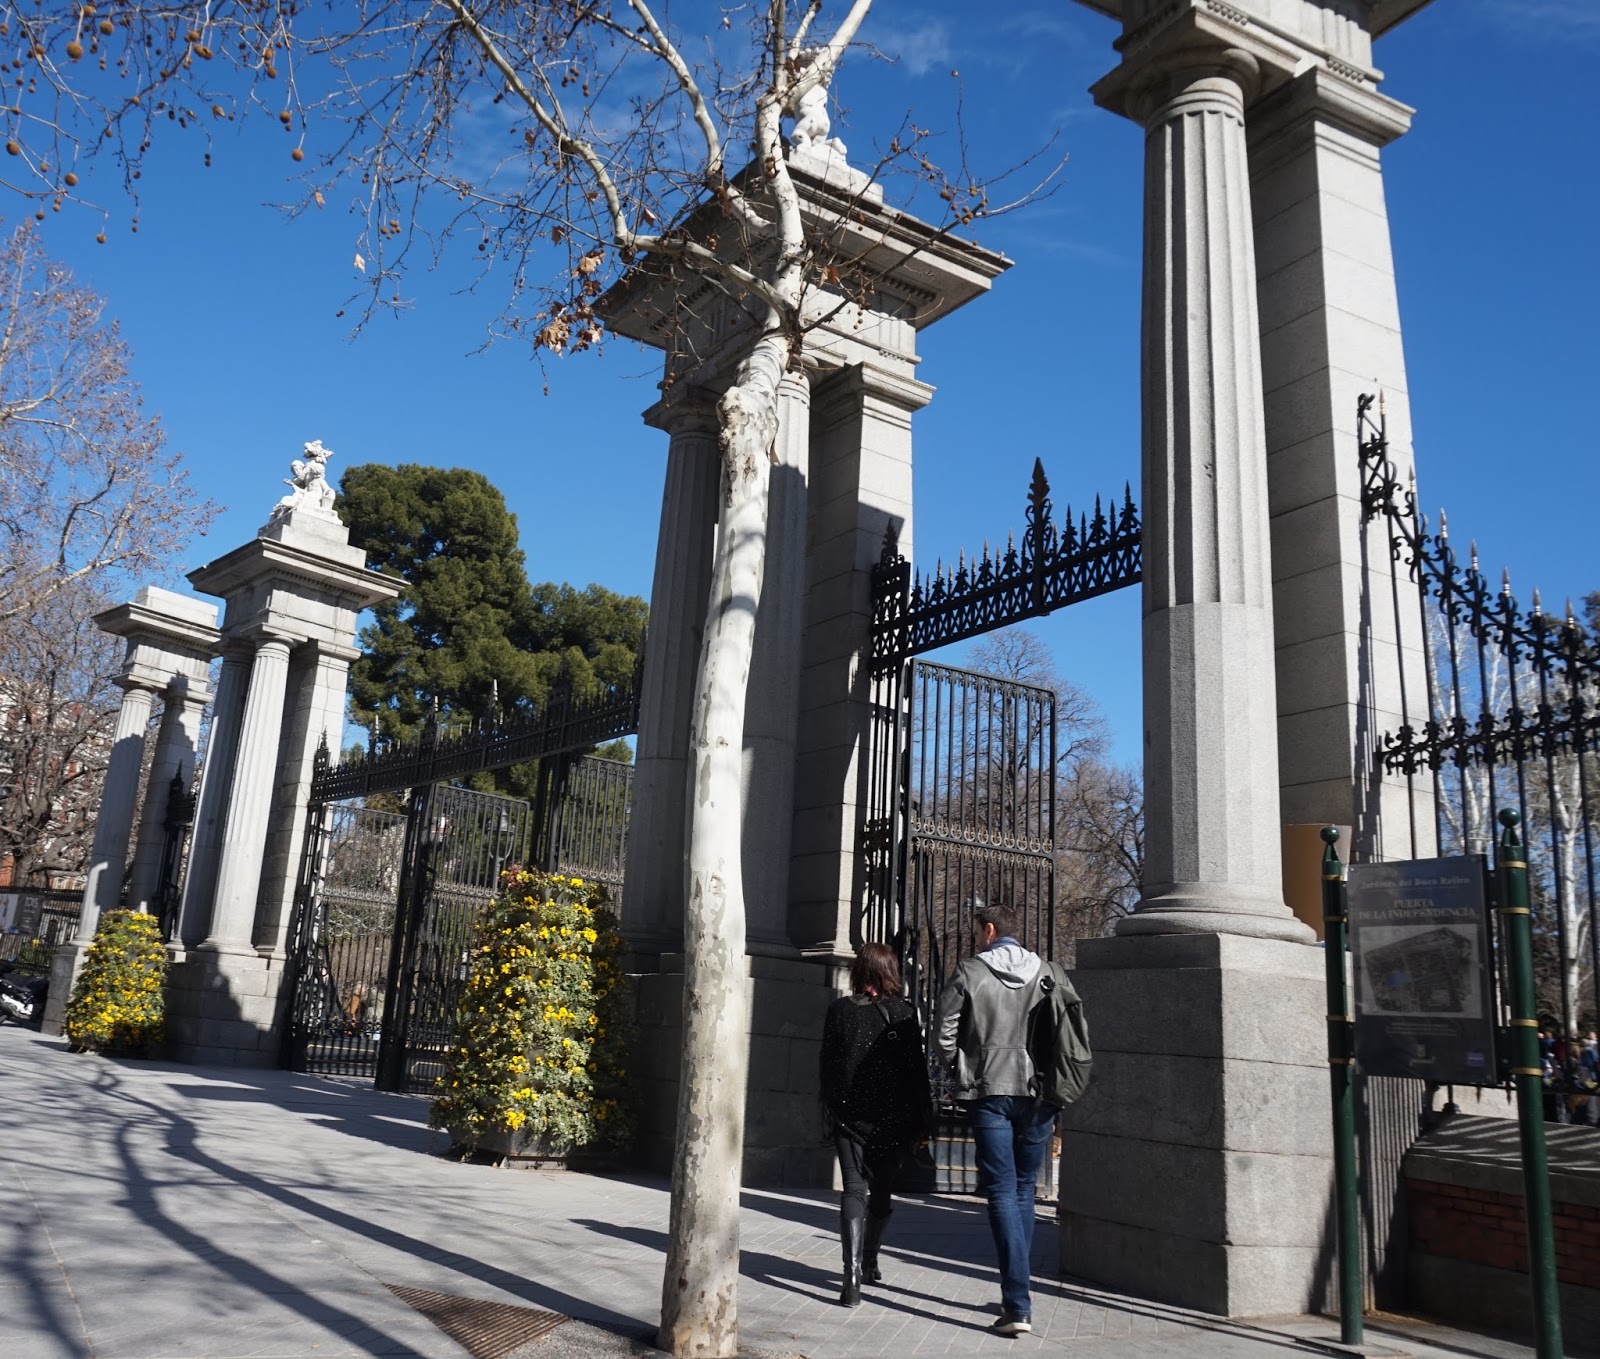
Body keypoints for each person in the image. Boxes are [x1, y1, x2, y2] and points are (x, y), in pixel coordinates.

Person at [936, 900, 1053, 1338]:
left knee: (1002, 1191)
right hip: (1037, 1093)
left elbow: (944, 1031)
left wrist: (956, 1067)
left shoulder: (970, 972)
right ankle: (1017, 1297)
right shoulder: (1047, 972)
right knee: (1023, 1189)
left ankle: (1017, 1303)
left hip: (987, 1089)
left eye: (977, 931)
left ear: (988, 930)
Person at [820, 941, 932, 1308]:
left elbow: (828, 1068)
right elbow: (917, 1073)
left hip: (850, 1117)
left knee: (854, 1190)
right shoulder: (903, 1013)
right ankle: (868, 1261)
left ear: (861, 971)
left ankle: (850, 1279)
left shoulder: (839, 1011)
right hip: (892, 1121)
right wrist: (923, 1120)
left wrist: (835, 1110)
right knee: (881, 1192)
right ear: (891, 973)